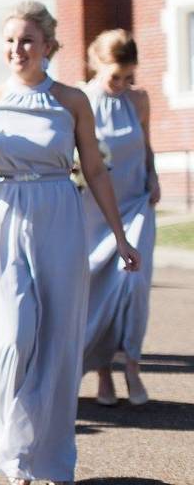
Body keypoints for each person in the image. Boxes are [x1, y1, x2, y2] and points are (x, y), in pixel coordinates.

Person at [0, 1, 140, 485]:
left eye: (27, 40)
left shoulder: (71, 101)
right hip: (5, 215)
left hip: (60, 217)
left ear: (48, 46)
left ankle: (41, 459)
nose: (17, 49)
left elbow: (93, 170)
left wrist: (119, 235)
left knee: (56, 340)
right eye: (9, 40)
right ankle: (11, 442)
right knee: (10, 336)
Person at [81, 29, 158, 406]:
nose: (123, 84)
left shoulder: (139, 100)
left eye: (129, 77)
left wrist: (154, 176)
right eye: (116, 77)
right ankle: (103, 374)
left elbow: (146, 145)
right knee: (99, 290)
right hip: (95, 211)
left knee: (134, 285)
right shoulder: (80, 102)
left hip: (136, 205)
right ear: (96, 63)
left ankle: (132, 364)